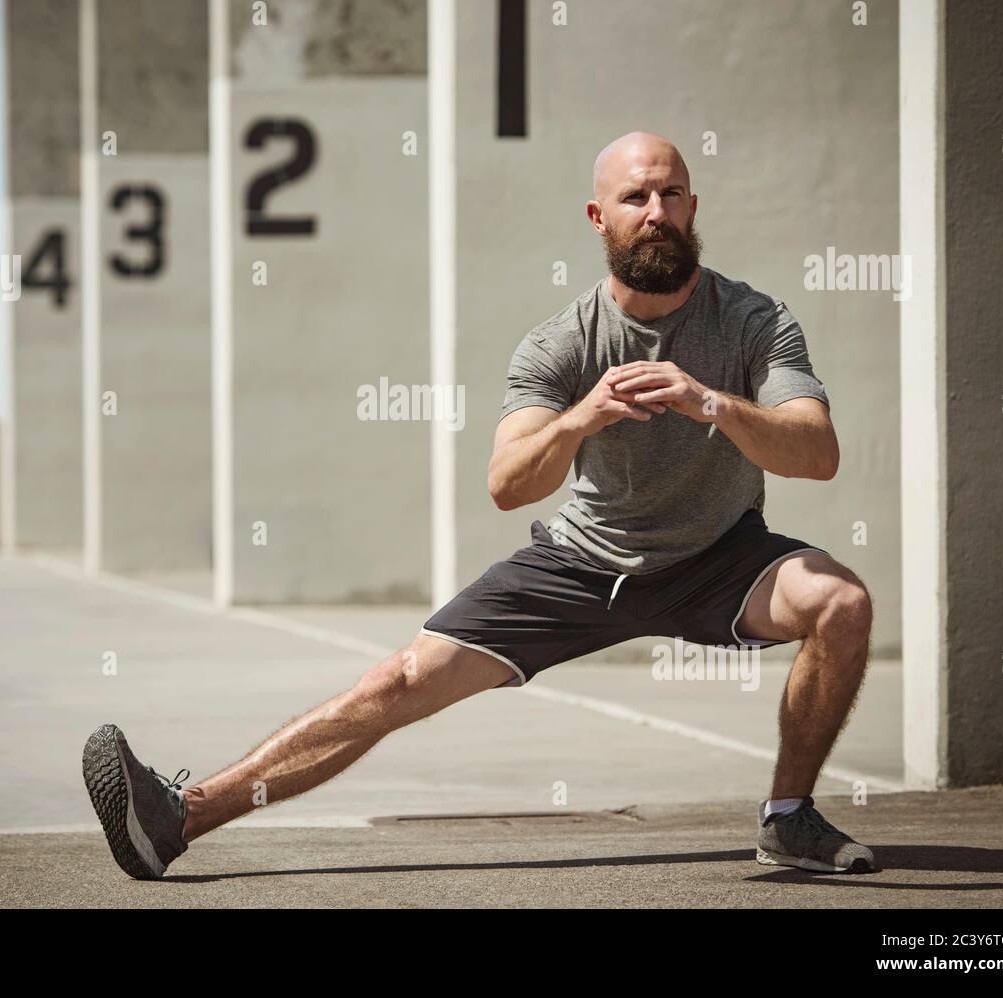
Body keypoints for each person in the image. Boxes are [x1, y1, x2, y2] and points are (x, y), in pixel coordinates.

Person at [82, 130, 876, 880]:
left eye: (673, 194)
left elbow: (818, 453)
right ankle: (177, 820)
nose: (658, 213)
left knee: (840, 602)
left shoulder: (754, 321)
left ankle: (789, 816)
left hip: (720, 559)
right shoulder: (560, 344)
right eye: (636, 197)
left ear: (694, 209)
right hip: (583, 564)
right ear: (600, 218)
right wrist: (582, 417)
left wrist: (713, 404)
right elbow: (508, 485)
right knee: (392, 684)